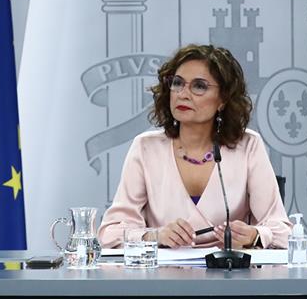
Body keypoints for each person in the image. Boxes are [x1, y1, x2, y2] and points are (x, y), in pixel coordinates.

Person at [98, 44, 290, 249]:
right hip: (163, 277)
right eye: (178, 83)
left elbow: (283, 231)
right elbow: (110, 232)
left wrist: (253, 235)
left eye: (199, 86)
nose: (183, 94)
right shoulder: (146, 147)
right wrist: (154, 236)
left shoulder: (248, 145)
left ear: (223, 100)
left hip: (229, 274)